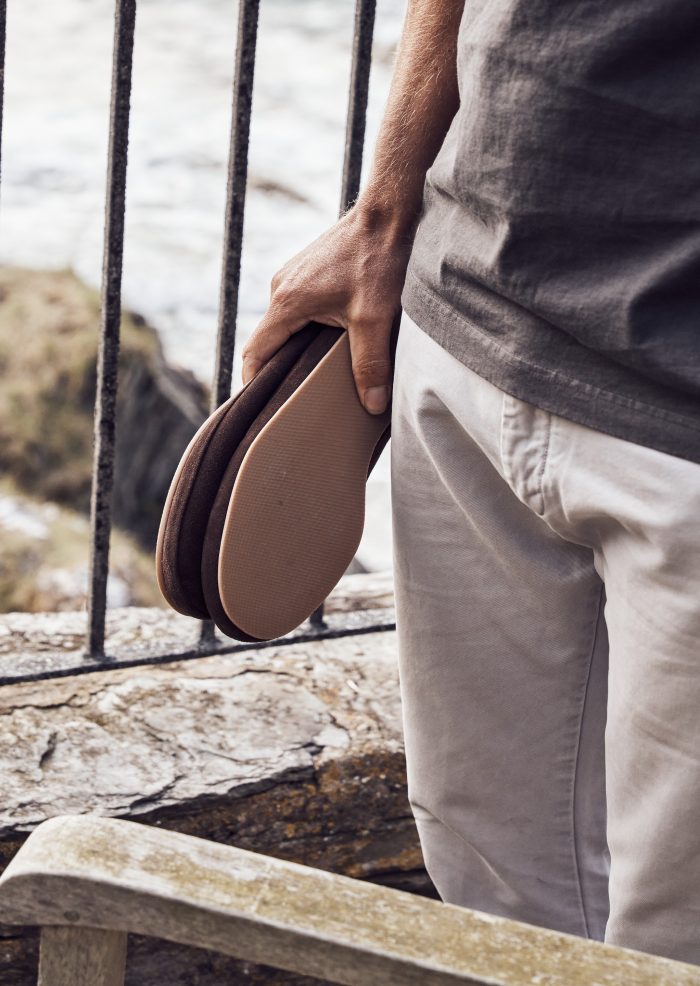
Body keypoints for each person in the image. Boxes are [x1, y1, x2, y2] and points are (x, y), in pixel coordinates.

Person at [241, 0, 700, 965]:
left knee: (674, 943)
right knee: (489, 907)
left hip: (681, 422)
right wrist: (385, 207)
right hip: (463, 321)